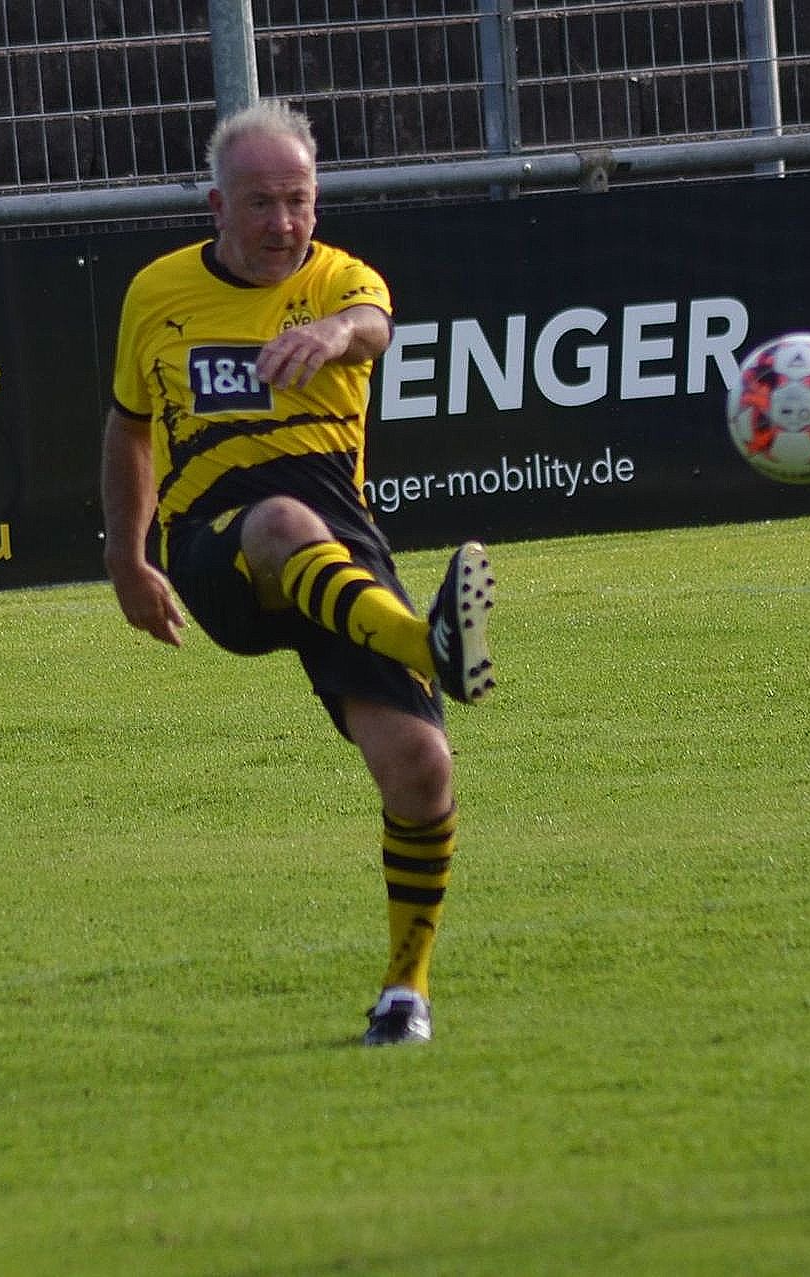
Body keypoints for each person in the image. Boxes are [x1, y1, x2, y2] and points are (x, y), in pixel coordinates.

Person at [100, 100, 497, 1048]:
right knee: (277, 520)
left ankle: (406, 992)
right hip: (218, 543)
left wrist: (334, 335)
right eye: (262, 204)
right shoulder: (156, 293)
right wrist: (127, 555)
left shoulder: (341, 280)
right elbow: (128, 427)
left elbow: (372, 323)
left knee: (422, 769)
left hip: (339, 545)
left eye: (300, 201)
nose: (285, 224)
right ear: (215, 205)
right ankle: (423, 640)